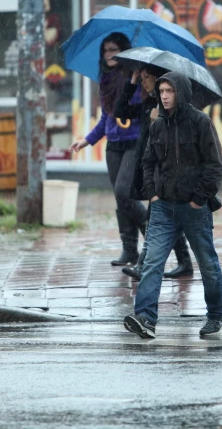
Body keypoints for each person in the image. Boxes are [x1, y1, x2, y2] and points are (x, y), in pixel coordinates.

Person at [123, 72, 222, 338]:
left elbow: (215, 166)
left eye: (170, 91)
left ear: (181, 92)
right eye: (162, 91)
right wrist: (152, 194)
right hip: (163, 207)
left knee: (207, 263)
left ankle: (216, 314)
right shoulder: (158, 125)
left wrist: (198, 199)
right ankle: (145, 318)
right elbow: (148, 162)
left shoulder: (200, 122)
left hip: (194, 208)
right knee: (152, 262)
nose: (165, 96)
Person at [69, 32, 147, 267]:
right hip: (113, 145)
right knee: (120, 198)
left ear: (124, 51)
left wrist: (132, 82)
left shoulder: (137, 76)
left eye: (115, 50)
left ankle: (154, 238)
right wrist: (88, 140)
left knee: (125, 192)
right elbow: (107, 118)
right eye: (106, 51)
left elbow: (135, 109)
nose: (110, 54)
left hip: (134, 142)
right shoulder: (105, 80)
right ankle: (129, 249)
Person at [114, 64, 194, 280]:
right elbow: (120, 111)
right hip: (150, 167)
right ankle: (185, 262)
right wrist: (131, 83)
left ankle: (144, 266)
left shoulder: (172, 108)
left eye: (146, 77)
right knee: (166, 217)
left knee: (156, 217)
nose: (143, 81)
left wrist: (158, 120)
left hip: (165, 170)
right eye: (141, 78)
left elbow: (175, 139)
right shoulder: (149, 103)